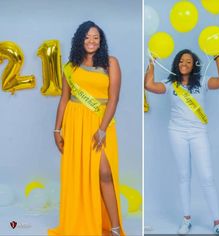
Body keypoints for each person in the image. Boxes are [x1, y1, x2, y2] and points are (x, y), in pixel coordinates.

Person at [48, 21, 125, 236]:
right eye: (87, 37)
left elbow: (114, 99)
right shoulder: (70, 66)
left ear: (101, 41)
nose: (91, 41)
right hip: (75, 122)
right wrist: (57, 130)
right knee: (80, 174)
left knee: (105, 172)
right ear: (79, 40)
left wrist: (102, 129)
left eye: (95, 38)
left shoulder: (111, 63)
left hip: (100, 122)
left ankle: (115, 227)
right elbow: (64, 99)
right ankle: (83, 222)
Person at [145, 49, 219, 235]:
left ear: (194, 65)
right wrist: (152, 60)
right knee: (184, 176)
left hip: (198, 133)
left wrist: (217, 57)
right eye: (181, 60)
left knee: (207, 177)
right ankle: (186, 219)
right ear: (177, 63)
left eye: (188, 61)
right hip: (176, 133)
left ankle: (217, 223)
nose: (184, 63)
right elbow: (149, 85)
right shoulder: (170, 84)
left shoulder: (203, 81)